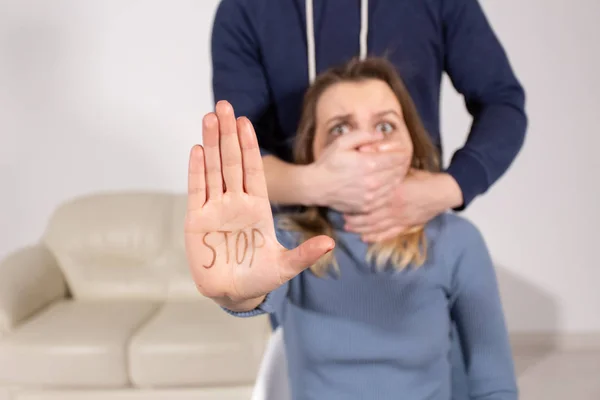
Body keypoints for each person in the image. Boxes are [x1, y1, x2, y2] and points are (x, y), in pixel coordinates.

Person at [187, 57, 518, 399]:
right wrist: (238, 294)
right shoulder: (289, 241)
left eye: (386, 126)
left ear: (412, 144)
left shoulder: (456, 240)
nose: (365, 141)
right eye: (340, 128)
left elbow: (494, 385)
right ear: (312, 153)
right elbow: (257, 288)